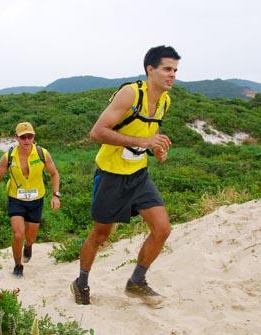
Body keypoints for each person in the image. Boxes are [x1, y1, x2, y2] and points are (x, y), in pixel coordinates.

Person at [70, 45, 180, 307]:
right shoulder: (130, 94)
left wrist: (156, 151)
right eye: (167, 69)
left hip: (139, 174)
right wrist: (144, 141)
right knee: (100, 234)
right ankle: (81, 282)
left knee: (162, 229)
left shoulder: (165, 101)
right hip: (110, 175)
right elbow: (97, 132)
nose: (172, 75)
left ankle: (136, 282)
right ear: (149, 69)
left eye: (175, 70)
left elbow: (145, 139)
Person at [0, 121, 61, 277]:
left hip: (37, 200)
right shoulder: (8, 157)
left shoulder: (42, 154)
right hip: (16, 199)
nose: (27, 140)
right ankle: (18, 265)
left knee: (30, 237)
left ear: (34, 136)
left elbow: (54, 174)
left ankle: (28, 246)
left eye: (30, 136)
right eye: (23, 137)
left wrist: (55, 195)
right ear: (16, 138)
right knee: (17, 234)